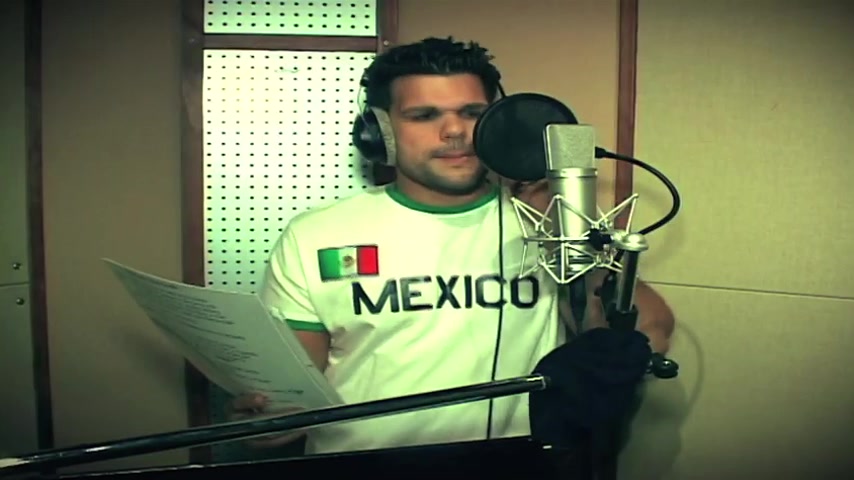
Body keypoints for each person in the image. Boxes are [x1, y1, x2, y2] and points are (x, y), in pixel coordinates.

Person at [227, 36, 675, 456]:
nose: (455, 131)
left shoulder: (548, 221)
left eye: (473, 113)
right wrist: (270, 420)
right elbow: (292, 395)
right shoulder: (316, 235)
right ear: (380, 132)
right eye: (424, 116)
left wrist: (566, 224)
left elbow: (649, 328)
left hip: (515, 465)